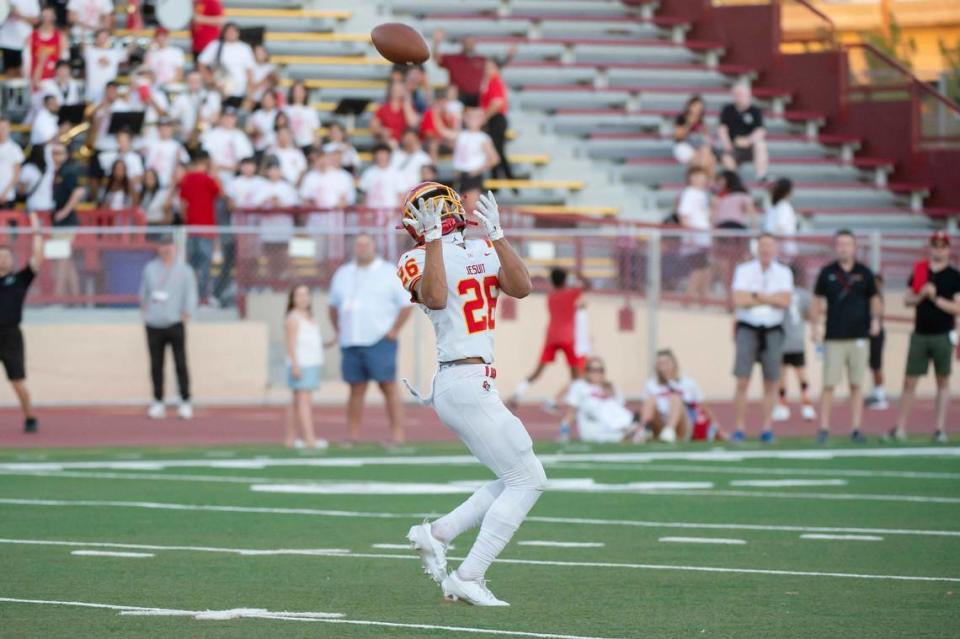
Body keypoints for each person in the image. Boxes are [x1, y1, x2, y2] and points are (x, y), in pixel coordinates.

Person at [398, 184, 543, 606]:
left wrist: (498, 235)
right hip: (460, 379)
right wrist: (433, 242)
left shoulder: (482, 249)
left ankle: (438, 532)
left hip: (476, 380)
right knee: (528, 479)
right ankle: (469, 575)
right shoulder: (414, 258)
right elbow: (437, 297)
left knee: (516, 475)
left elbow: (522, 286)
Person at [328, 233, 413, 446]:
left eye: (366, 244)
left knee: (388, 386)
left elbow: (405, 304)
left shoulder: (388, 272)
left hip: (380, 338)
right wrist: (338, 329)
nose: (362, 248)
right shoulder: (343, 273)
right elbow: (332, 305)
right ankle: (352, 435)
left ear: (374, 246)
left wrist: (394, 330)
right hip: (352, 339)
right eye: (358, 244)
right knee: (355, 388)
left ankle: (397, 434)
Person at [888, 232, 960, 443]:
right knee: (910, 381)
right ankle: (900, 427)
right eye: (935, 245)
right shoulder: (920, 270)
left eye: (942, 245)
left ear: (948, 249)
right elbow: (908, 300)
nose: (938, 249)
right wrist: (922, 294)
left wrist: (935, 297)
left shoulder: (954, 276)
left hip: (942, 335)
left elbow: (957, 307)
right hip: (920, 333)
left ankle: (939, 428)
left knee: (943, 381)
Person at [810, 230, 881, 444]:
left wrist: (876, 319)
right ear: (835, 247)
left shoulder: (865, 272)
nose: (843, 248)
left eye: (847, 244)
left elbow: (874, 298)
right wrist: (815, 325)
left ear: (854, 247)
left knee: (856, 384)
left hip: (859, 336)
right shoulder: (827, 272)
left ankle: (857, 427)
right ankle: (823, 427)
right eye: (840, 244)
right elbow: (816, 300)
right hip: (834, 336)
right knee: (829, 383)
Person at [730, 233, 793, 442]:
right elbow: (739, 298)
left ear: (776, 249)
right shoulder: (744, 270)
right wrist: (770, 299)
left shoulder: (784, 272)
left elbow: (785, 301)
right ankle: (739, 428)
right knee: (742, 381)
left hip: (773, 329)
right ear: (757, 248)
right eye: (763, 245)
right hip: (748, 328)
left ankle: (767, 428)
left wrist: (757, 296)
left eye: (770, 246)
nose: (766, 250)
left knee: (771, 382)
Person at [140, 235, 198, 420]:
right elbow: (144, 293)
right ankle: (158, 401)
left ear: (175, 248)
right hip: (154, 323)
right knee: (156, 364)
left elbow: (191, 294)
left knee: (180, 363)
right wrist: (146, 310)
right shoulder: (150, 268)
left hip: (175, 322)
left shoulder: (184, 270)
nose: (166, 249)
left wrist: (186, 313)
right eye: (162, 245)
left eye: (169, 246)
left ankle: (185, 400)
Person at [510, 267, 586, 405]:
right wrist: (576, 273)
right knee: (575, 373)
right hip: (567, 338)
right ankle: (576, 402)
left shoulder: (551, 296)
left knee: (538, 371)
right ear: (565, 280)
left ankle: (517, 393)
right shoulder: (571, 294)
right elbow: (586, 285)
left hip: (551, 337)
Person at [0, 212, 43, 433]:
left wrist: (36, 230)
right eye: (0, 256)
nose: (4, 259)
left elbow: (37, 257)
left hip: (10, 336)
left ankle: (30, 416)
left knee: (18, 382)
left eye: (7, 256)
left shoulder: (19, 280)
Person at [284, 284, 329, 450]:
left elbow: (311, 341)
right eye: (299, 295)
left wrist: (328, 343)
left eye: (306, 295)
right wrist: (295, 365)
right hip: (301, 364)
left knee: (297, 403)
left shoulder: (310, 317)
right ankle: (310, 439)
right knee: (303, 402)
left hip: (312, 363)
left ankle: (290, 439)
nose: (303, 298)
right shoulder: (293, 318)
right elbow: (290, 344)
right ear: (292, 299)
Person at [640, 349, 717, 443]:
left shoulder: (688, 383)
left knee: (675, 398)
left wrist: (717, 427)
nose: (664, 367)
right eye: (660, 364)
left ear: (674, 363)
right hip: (659, 424)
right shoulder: (651, 384)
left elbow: (704, 406)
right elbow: (646, 408)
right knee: (650, 401)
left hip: (683, 424)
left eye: (666, 363)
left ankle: (669, 431)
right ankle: (642, 431)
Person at [561, 356, 642, 444]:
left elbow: (618, 409)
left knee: (610, 405)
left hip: (612, 424)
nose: (596, 373)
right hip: (592, 426)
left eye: (600, 370)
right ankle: (629, 429)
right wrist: (565, 428)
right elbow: (571, 412)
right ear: (586, 371)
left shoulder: (612, 387)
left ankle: (629, 429)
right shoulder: (579, 386)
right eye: (592, 370)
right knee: (597, 406)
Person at [773, 264, 816, 422]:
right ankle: (800, 405)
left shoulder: (782, 294)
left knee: (790, 374)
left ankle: (797, 405)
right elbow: (809, 314)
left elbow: (810, 313)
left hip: (788, 340)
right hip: (790, 340)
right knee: (794, 374)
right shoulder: (802, 294)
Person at [178, 151, 221, 303]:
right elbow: (219, 192)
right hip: (207, 229)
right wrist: (215, 173)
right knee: (205, 267)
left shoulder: (186, 179)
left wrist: (188, 220)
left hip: (192, 229)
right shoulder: (208, 179)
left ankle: (189, 296)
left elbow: (183, 204)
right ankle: (202, 297)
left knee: (191, 266)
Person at [447, 106, 498, 214]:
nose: (472, 120)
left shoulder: (482, 137)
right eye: (470, 117)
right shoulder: (461, 134)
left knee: (471, 208)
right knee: (458, 210)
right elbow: (445, 134)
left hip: (472, 176)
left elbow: (494, 159)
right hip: (459, 174)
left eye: (475, 117)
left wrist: (477, 171)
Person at [49, 143, 84, 300]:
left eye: (60, 153)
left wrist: (64, 212)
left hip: (65, 223)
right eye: (54, 153)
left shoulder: (68, 171)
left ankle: (58, 296)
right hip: (59, 223)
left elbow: (79, 191)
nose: (56, 156)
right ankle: (76, 297)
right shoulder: (56, 172)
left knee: (61, 260)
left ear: (66, 155)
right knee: (66, 261)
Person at [719, 83, 769, 181]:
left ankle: (761, 175)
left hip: (750, 146)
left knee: (761, 145)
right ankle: (735, 182)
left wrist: (748, 141)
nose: (739, 97)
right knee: (726, 158)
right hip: (733, 146)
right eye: (737, 94)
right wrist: (727, 144)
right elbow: (722, 129)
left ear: (748, 95)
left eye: (742, 94)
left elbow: (760, 131)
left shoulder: (755, 110)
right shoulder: (728, 110)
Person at [677, 165, 712, 305]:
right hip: (695, 237)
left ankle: (701, 297)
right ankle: (690, 298)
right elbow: (684, 215)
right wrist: (690, 236)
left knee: (704, 268)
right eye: (696, 176)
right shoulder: (689, 193)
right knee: (698, 268)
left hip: (703, 237)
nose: (700, 179)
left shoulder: (702, 194)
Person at [197, 22, 254, 103]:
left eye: (234, 31)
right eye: (229, 31)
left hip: (240, 90)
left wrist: (250, 90)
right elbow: (201, 63)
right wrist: (209, 79)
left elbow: (249, 70)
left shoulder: (245, 48)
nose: (231, 34)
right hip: (219, 89)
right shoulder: (215, 45)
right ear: (224, 33)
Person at [201, 108, 254, 187]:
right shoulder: (212, 134)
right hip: (214, 175)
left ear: (235, 119)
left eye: (232, 117)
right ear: (221, 118)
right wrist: (217, 167)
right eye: (226, 116)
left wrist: (237, 168)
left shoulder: (240, 135)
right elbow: (205, 155)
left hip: (236, 177)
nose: (229, 119)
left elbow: (247, 158)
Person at [480, 58, 514, 182]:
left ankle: (509, 178)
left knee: (497, 150)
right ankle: (501, 177)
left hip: (496, 119)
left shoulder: (495, 82)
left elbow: (496, 103)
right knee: (496, 149)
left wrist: (484, 118)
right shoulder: (490, 82)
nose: (487, 70)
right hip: (494, 119)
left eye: (490, 67)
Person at [432, 29, 486, 104]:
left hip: (477, 97)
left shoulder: (481, 60)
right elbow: (437, 59)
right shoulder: (454, 59)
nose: (469, 45)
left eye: (471, 42)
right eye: (467, 42)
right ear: (462, 43)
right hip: (458, 97)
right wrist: (436, 43)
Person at [82, 28, 129, 104]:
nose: (103, 40)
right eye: (101, 37)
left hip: (109, 95)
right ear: (96, 38)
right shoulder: (90, 51)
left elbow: (128, 51)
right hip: (92, 94)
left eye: (105, 37)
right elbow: (83, 42)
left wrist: (136, 35)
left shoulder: (114, 53)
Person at [672, 95, 715, 174]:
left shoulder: (701, 120)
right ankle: (700, 180)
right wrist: (689, 124)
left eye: (699, 108)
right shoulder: (681, 118)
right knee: (700, 159)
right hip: (683, 146)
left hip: (698, 147)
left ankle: (706, 181)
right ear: (690, 106)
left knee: (710, 158)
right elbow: (678, 136)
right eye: (695, 106)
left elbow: (706, 138)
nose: (697, 110)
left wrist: (705, 132)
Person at [143, 118, 190, 188]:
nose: (164, 129)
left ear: (171, 129)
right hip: (151, 185)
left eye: (167, 127)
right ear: (158, 129)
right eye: (162, 127)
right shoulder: (150, 144)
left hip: (168, 185)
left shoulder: (177, 146)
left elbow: (186, 163)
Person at [865, 273, 889, 410]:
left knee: (876, 365)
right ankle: (877, 392)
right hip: (870, 334)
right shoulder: (869, 296)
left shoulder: (877, 297)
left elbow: (878, 314)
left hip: (877, 334)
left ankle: (880, 394)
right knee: (873, 364)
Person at [371, 81, 420, 145]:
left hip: (405, 142)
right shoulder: (383, 108)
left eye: (400, 89)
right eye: (395, 89)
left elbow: (413, 124)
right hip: (388, 141)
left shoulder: (408, 107)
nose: (398, 92)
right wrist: (382, 131)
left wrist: (406, 104)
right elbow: (374, 127)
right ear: (390, 91)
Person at [359, 143, 406, 210]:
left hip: (391, 213)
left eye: (384, 153)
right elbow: (364, 195)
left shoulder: (397, 173)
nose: (381, 156)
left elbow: (401, 196)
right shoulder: (368, 173)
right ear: (375, 155)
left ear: (389, 155)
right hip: (372, 212)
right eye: (379, 153)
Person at [0, 0, 39, 77]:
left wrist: (19, 15)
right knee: (9, 72)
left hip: (25, 42)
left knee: (23, 71)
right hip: (6, 42)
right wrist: (8, 11)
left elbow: (36, 21)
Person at [763, 177, 798, 260]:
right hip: (783, 250)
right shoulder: (784, 207)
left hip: (776, 248)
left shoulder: (773, 207)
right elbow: (781, 228)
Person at [284, 81, 319, 152]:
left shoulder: (310, 110)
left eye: (301, 90)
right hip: (290, 146)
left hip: (307, 145)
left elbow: (315, 131)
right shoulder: (285, 109)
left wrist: (316, 148)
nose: (298, 93)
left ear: (305, 93)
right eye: (296, 91)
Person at [0, 118, 25, 209]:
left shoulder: (14, 149)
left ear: (9, 129)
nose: (1, 131)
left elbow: (17, 174)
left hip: (7, 197)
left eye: (4, 128)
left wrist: (5, 193)